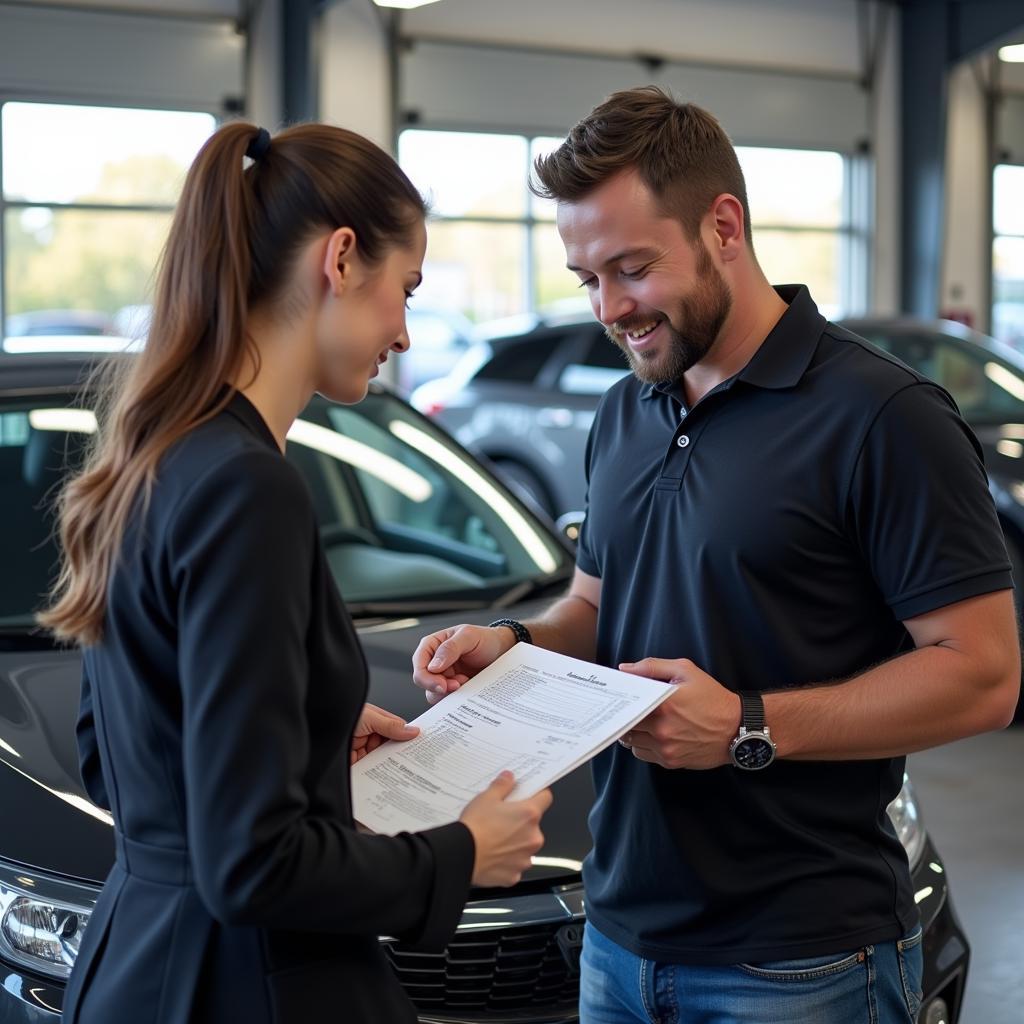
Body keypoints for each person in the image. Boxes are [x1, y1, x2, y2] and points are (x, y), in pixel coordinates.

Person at [412, 87, 1021, 1024]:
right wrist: (515, 643)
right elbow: (596, 606)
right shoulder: (625, 412)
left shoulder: (883, 419)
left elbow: (984, 677)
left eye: (633, 269)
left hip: (802, 959)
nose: (610, 309)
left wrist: (747, 723)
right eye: (588, 279)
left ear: (723, 227)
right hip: (616, 940)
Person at [40, 121, 551, 1024]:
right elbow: (253, 864)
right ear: (342, 258)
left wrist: (303, 726)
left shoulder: (160, 456)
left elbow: (114, 756)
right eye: (408, 288)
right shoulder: (249, 490)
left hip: (137, 963)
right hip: (244, 986)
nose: (403, 329)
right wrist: (460, 853)